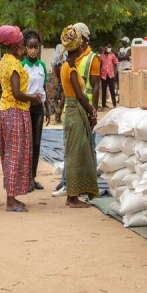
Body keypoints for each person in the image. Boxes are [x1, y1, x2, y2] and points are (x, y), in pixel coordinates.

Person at [0, 25, 41, 212]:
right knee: (14, 156)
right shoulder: (14, 65)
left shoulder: (4, 61)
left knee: (9, 155)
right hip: (15, 112)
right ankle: (10, 200)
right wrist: (33, 98)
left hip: (6, 111)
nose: (23, 45)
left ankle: (12, 196)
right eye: (21, 42)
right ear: (14, 45)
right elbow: (16, 93)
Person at [52, 22, 100, 197]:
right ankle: (72, 195)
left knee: (79, 151)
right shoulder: (71, 69)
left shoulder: (66, 66)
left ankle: (79, 190)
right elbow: (80, 95)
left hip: (74, 110)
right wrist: (92, 110)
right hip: (76, 110)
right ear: (79, 46)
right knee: (74, 153)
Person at [21, 30, 51, 191]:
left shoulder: (42, 66)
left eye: (36, 47)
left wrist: (47, 108)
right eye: (30, 47)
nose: (33, 50)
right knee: (27, 143)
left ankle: (33, 177)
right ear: (25, 48)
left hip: (38, 108)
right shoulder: (22, 66)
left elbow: (43, 87)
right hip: (26, 107)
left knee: (37, 142)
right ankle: (25, 178)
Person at [99, 43, 118, 110]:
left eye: (110, 47)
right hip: (104, 76)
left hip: (111, 75)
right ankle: (103, 106)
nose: (109, 49)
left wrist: (114, 73)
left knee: (112, 91)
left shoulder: (112, 56)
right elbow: (100, 65)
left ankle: (114, 105)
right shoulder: (101, 56)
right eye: (108, 47)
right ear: (105, 48)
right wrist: (99, 74)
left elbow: (115, 64)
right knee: (103, 92)